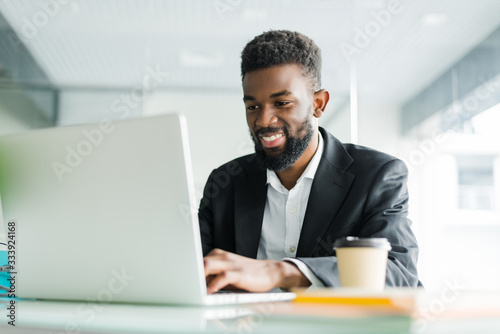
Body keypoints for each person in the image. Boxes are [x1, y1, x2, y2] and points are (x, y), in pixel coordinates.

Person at [199, 30, 420, 294]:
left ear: (318, 104)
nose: (264, 121)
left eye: (281, 103)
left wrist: (281, 272)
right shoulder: (226, 182)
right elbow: (191, 270)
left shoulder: (377, 176)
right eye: (253, 107)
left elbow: (398, 274)